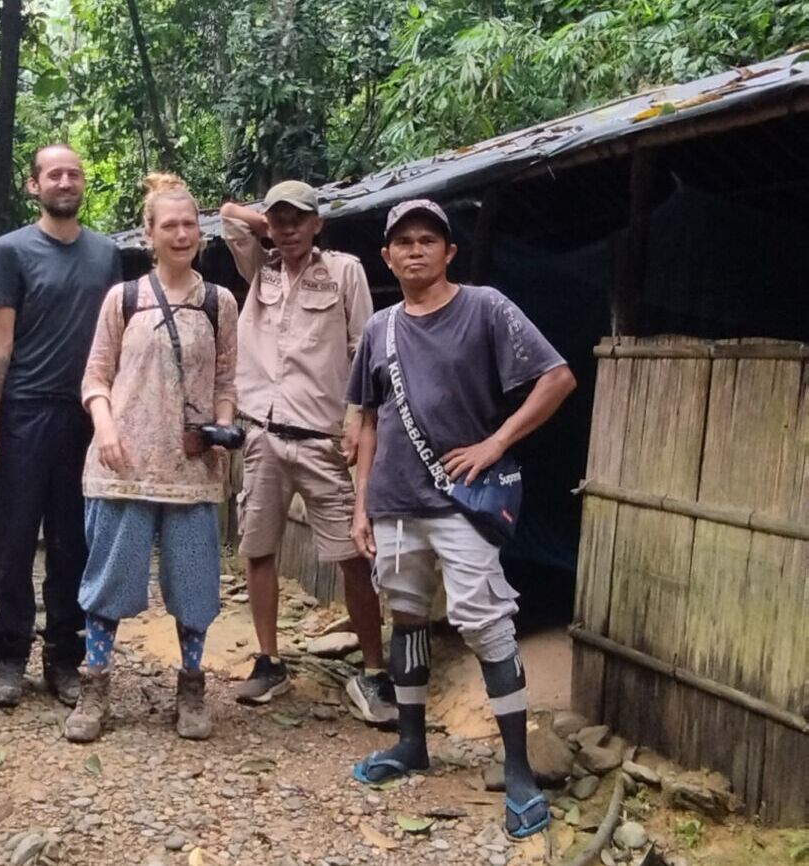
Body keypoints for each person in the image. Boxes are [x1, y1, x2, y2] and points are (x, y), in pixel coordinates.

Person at [346, 199, 577, 839]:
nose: (415, 250)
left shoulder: (486, 307)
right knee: (408, 616)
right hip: (393, 502)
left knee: (485, 620)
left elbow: (557, 379)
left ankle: (520, 767)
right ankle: (412, 744)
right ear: (387, 256)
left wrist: (496, 442)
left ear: (450, 252)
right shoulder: (379, 328)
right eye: (403, 242)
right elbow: (365, 420)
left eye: (429, 240)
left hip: (461, 501)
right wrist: (361, 502)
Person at [61, 173, 239, 743]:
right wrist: (107, 427)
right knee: (108, 582)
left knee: (193, 583)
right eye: (170, 225)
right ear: (150, 234)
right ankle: (95, 685)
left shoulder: (220, 302)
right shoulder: (125, 298)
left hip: (192, 468)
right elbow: (95, 375)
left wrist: (224, 425)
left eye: (189, 224)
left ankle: (191, 687)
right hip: (123, 465)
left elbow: (227, 382)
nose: (181, 234)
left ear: (200, 232)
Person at [219, 182, 394, 724]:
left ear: (320, 223)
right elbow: (227, 216)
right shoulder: (261, 270)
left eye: (300, 218)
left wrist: (357, 424)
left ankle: (373, 671)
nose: (288, 228)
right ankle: (269, 661)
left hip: (323, 438)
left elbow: (363, 351)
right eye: (279, 219)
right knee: (259, 548)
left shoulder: (344, 271)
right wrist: (266, 227)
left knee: (352, 556)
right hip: (263, 434)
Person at [0, 144, 122, 708]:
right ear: (33, 186)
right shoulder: (10, 251)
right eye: (53, 174)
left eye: (74, 173)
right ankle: (9, 652)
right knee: (12, 538)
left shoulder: (106, 254)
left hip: (84, 414)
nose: (65, 181)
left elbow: (112, 343)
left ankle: (64, 655)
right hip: (24, 411)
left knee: (74, 541)